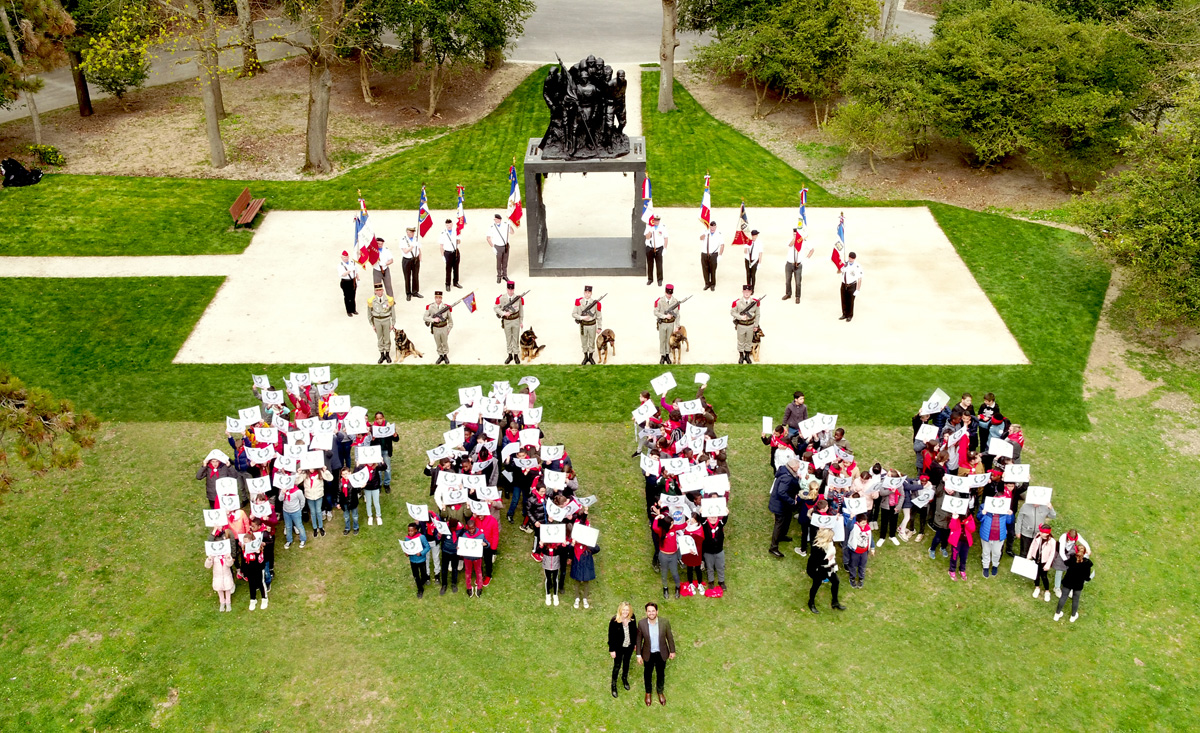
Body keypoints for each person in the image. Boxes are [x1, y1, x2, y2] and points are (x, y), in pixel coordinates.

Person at [635, 602, 676, 706]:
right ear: (646, 612)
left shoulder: (664, 622)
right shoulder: (642, 623)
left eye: (653, 611)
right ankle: (648, 692)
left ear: (657, 612)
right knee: (647, 674)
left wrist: (672, 650)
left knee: (660, 673)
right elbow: (639, 640)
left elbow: (669, 637)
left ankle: (660, 691)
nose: (651, 613)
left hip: (661, 653)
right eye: (649, 611)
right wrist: (638, 655)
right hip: (648, 654)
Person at [807, 528, 845, 613]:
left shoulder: (830, 543)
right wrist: (828, 559)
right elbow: (817, 561)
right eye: (830, 538)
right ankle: (811, 602)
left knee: (836, 582)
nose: (832, 539)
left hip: (828, 566)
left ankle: (835, 602)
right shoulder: (817, 547)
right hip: (817, 569)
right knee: (816, 585)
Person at [768, 459, 801, 557]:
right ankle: (773, 547)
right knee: (779, 524)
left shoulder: (786, 471)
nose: (798, 468)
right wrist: (792, 501)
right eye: (797, 467)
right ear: (792, 467)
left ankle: (781, 536)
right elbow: (781, 492)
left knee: (787, 518)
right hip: (780, 505)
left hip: (784, 505)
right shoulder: (787, 478)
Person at [1054, 543, 1094, 622]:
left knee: (1063, 597)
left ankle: (1057, 614)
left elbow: (1066, 563)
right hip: (1078, 584)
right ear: (1085, 552)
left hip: (1068, 580)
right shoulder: (1087, 563)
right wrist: (1089, 578)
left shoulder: (1072, 558)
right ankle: (1073, 616)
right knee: (1076, 599)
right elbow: (1087, 577)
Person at [608, 602, 638, 698]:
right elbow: (611, 636)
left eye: (627, 610)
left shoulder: (632, 618)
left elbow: (635, 631)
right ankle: (614, 685)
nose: (625, 612)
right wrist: (612, 650)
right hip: (618, 648)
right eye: (624, 610)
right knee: (617, 665)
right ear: (620, 610)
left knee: (626, 663)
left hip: (629, 646)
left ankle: (624, 679)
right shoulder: (614, 621)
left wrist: (635, 644)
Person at [651, 507, 681, 599]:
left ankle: (677, 587)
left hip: (673, 555)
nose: (673, 525)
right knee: (664, 573)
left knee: (674, 572)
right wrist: (656, 518)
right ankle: (665, 588)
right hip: (663, 555)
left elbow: (683, 526)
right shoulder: (661, 531)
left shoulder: (674, 528)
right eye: (671, 524)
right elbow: (654, 527)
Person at [1053, 528, 1091, 597]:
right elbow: (1061, 551)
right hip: (1063, 553)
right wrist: (1065, 560)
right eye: (1071, 539)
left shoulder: (1077, 536)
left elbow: (1084, 542)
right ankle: (1057, 587)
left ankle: (1069, 587)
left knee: (1071, 571)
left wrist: (1088, 549)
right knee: (1059, 570)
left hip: (1071, 552)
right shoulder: (1063, 537)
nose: (1072, 540)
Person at [570, 523, 599, 608]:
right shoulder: (575, 545)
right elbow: (570, 551)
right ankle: (577, 598)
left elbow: (597, 549)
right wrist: (572, 543)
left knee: (586, 582)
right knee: (577, 581)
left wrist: (590, 542)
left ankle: (585, 598)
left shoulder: (588, 545)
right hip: (577, 564)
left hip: (587, 564)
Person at [495, 280, 524, 364]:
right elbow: (496, 308)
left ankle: (516, 355)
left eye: (512, 290)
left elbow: (521, 310)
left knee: (516, 338)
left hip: (515, 320)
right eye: (509, 289)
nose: (510, 291)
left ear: (514, 289)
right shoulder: (502, 298)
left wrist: (521, 321)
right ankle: (509, 355)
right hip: (507, 321)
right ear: (507, 289)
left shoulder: (518, 298)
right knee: (508, 338)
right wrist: (503, 313)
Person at [572, 285, 602, 366]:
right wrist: (582, 317)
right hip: (583, 325)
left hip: (592, 325)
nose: (587, 294)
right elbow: (574, 314)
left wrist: (599, 327)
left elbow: (599, 316)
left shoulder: (595, 303)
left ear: (591, 293)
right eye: (586, 292)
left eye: (589, 293)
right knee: (584, 341)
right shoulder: (579, 302)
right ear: (584, 293)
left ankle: (591, 357)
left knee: (591, 342)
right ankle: (585, 357)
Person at [1026, 524, 1057, 602]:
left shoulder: (1052, 541)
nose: (1040, 533)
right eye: (1040, 531)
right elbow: (1032, 545)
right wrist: (1029, 555)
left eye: (1042, 532)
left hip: (1044, 561)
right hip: (1036, 558)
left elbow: (1052, 554)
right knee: (1035, 575)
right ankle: (1037, 587)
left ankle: (1047, 591)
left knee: (1044, 576)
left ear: (1047, 533)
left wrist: (1048, 564)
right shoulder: (1037, 536)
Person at [653, 284, 682, 365]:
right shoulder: (659, 301)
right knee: (662, 339)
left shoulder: (675, 301)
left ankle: (667, 354)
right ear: (665, 292)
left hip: (670, 324)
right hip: (662, 323)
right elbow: (655, 312)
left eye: (670, 294)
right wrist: (665, 316)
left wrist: (677, 325)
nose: (669, 295)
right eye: (668, 294)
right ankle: (662, 355)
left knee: (669, 340)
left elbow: (677, 315)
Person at [731, 284, 760, 364]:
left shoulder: (755, 302)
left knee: (749, 341)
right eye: (745, 291)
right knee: (740, 341)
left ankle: (747, 355)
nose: (746, 293)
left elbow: (757, 314)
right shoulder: (737, 302)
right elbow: (732, 312)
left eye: (748, 291)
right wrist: (740, 317)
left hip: (750, 325)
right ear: (742, 292)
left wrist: (756, 325)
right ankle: (741, 355)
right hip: (741, 325)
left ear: (751, 292)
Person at [367, 283, 395, 364]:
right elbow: (369, 314)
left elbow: (393, 312)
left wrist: (393, 323)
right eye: (377, 290)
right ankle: (382, 354)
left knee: (387, 337)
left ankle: (387, 354)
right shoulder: (371, 301)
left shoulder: (389, 300)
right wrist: (372, 324)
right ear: (375, 291)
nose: (379, 292)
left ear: (383, 290)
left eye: (380, 290)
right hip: (377, 320)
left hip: (386, 319)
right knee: (379, 338)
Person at [458, 516, 486, 597]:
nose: (471, 530)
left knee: (479, 572)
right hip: (467, 558)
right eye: (469, 529)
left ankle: (479, 587)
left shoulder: (481, 535)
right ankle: (469, 587)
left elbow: (488, 544)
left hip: (477, 558)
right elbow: (461, 546)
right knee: (467, 572)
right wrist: (459, 549)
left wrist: (486, 544)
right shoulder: (464, 535)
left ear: (475, 527)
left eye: (473, 528)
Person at [423, 291, 454, 365]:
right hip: (436, 328)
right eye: (436, 298)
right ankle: (440, 355)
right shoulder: (431, 307)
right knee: (438, 343)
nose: (438, 299)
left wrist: (448, 329)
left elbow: (450, 321)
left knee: (445, 342)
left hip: (444, 328)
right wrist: (433, 320)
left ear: (441, 298)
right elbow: (425, 317)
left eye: (439, 298)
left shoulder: (445, 308)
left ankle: (445, 355)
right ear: (435, 298)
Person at [845, 514, 874, 588]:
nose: (864, 524)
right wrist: (851, 518)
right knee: (853, 565)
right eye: (863, 523)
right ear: (858, 522)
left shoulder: (868, 528)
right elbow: (848, 527)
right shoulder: (854, 527)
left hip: (864, 551)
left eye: (865, 522)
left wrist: (872, 547)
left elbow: (870, 538)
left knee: (862, 565)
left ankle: (861, 578)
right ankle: (852, 578)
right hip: (855, 551)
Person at [782, 229, 810, 303]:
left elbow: (812, 249)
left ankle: (797, 296)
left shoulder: (804, 242)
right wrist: (795, 239)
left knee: (798, 282)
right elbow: (790, 244)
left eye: (796, 234)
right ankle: (788, 294)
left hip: (798, 264)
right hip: (789, 264)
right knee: (788, 281)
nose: (795, 235)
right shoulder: (791, 240)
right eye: (794, 234)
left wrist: (807, 258)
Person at [404, 522, 431, 598]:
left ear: (416, 530)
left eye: (412, 531)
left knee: (423, 574)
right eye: (409, 531)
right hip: (412, 560)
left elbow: (427, 547)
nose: (410, 532)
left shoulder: (421, 537)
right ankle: (420, 589)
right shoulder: (407, 538)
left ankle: (424, 580)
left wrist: (421, 553)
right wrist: (406, 553)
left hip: (421, 560)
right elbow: (407, 548)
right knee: (416, 575)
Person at [947, 510, 975, 581]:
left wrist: (966, 522)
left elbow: (972, 529)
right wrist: (954, 518)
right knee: (954, 556)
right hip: (956, 541)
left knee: (964, 556)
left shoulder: (969, 518)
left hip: (966, 541)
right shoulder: (956, 517)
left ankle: (962, 569)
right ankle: (952, 570)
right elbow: (952, 527)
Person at [702, 513, 728, 590]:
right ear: (707, 517)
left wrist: (726, 513)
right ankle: (711, 581)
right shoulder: (705, 524)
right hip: (708, 552)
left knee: (720, 567)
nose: (713, 518)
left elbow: (725, 520)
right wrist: (701, 512)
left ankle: (721, 581)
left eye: (715, 517)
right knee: (710, 567)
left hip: (719, 550)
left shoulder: (720, 524)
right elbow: (702, 519)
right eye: (711, 517)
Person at [487, 214, 515, 284]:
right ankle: (499, 275)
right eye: (494, 219)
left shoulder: (505, 225)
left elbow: (512, 232)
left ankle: (504, 275)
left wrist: (510, 226)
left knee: (505, 261)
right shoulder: (492, 227)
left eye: (496, 219)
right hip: (498, 246)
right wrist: (493, 247)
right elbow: (488, 238)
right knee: (499, 262)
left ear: (500, 219)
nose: (495, 220)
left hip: (505, 246)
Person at [698, 219, 724, 291]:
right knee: (705, 269)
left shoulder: (719, 234)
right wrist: (705, 234)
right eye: (711, 227)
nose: (712, 228)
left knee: (713, 270)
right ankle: (707, 283)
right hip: (704, 253)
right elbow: (700, 238)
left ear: (716, 227)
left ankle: (713, 284)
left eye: (714, 227)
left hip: (713, 254)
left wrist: (720, 255)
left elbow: (722, 245)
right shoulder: (705, 231)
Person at [279, 481, 307, 549]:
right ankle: (289, 540)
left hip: (296, 512)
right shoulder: (283, 490)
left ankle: (303, 540)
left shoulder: (298, 491)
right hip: (286, 512)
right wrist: (282, 493)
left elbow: (302, 500)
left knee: (299, 526)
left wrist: (300, 509)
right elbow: (280, 499)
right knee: (288, 527)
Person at [399, 225, 423, 301]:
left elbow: (419, 249)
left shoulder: (416, 239)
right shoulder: (403, 240)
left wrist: (420, 257)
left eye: (413, 232)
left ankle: (415, 291)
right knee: (407, 277)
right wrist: (412, 246)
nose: (412, 234)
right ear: (407, 232)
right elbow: (405, 251)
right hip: (407, 260)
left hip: (415, 259)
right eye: (411, 232)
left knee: (415, 276)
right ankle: (408, 293)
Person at [838, 251, 863, 322]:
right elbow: (838, 272)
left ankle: (850, 315)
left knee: (850, 301)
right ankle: (844, 314)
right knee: (843, 300)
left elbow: (860, 278)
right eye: (850, 258)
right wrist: (841, 269)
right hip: (843, 284)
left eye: (852, 258)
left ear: (854, 259)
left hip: (851, 285)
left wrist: (858, 289)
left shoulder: (857, 266)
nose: (850, 260)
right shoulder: (845, 264)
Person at [644, 214, 667, 286]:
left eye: (658, 220)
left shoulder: (663, 227)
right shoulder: (649, 226)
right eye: (655, 220)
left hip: (659, 248)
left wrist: (665, 248)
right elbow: (647, 237)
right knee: (650, 264)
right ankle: (650, 279)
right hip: (650, 247)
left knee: (659, 265)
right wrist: (651, 230)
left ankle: (659, 279)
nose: (656, 221)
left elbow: (666, 238)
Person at [439, 219, 462, 290]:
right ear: (446, 225)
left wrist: (458, 239)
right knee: (448, 269)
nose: (449, 226)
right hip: (448, 253)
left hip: (455, 251)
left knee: (456, 268)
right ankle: (447, 284)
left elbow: (459, 242)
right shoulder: (443, 233)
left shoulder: (456, 231)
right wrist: (442, 256)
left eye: (450, 224)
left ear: (452, 224)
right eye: (447, 225)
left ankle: (456, 282)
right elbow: (441, 246)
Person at [439, 518, 460, 595]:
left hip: (455, 552)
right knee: (444, 569)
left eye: (454, 528)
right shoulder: (444, 529)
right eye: (451, 527)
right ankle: (444, 585)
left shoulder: (460, 529)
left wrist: (460, 546)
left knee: (454, 568)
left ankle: (454, 583)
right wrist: (439, 536)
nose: (452, 529)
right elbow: (440, 539)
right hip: (446, 552)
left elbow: (463, 538)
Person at [337, 250, 359, 316]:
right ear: (341, 257)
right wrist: (349, 271)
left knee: (353, 296)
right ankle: (348, 311)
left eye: (347, 257)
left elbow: (356, 271)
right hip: (345, 282)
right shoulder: (340, 265)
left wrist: (358, 279)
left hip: (353, 281)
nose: (346, 258)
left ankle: (353, 309)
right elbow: (343, 274)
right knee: (347, 297)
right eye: (344, 257)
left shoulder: (352, 263)